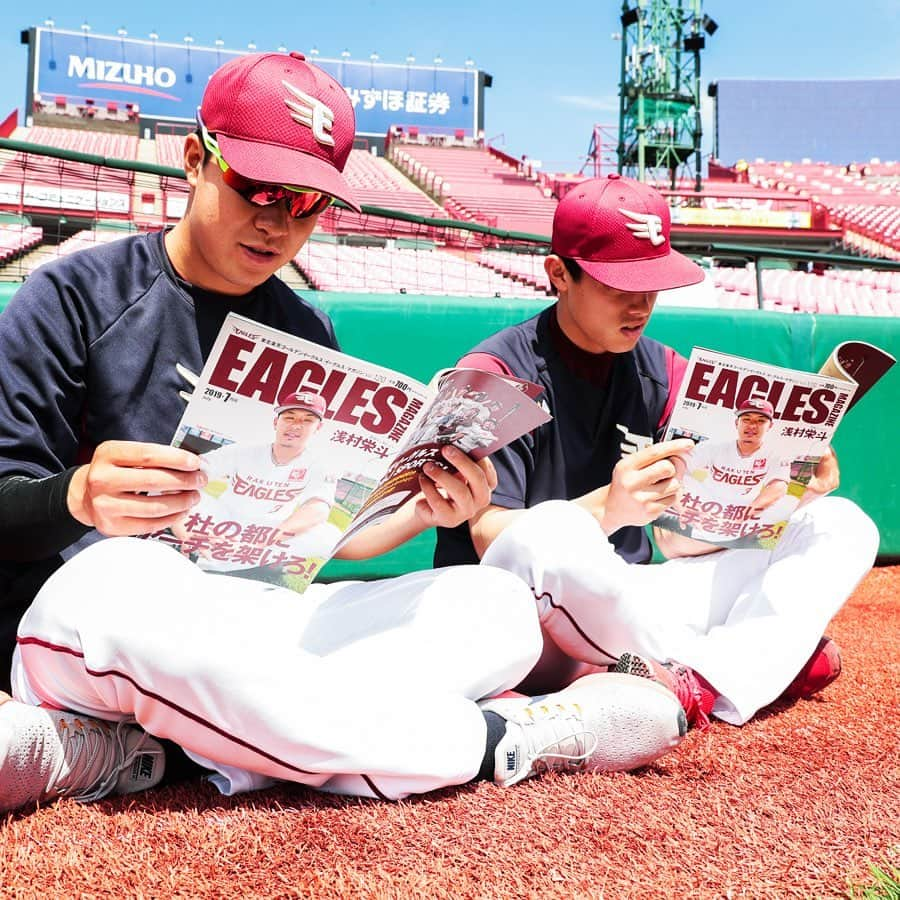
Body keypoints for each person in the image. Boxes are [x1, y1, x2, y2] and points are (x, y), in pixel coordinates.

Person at [0, 56, 686, 812]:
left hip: (253, 615)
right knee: (134, 577)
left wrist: (423, 507)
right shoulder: (70, 296)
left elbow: (324, 538)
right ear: (196, 161)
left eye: (305, 202)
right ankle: (507, 739)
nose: (276, 219)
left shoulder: (305, 327)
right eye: (256, 187)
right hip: (96, 610)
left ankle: (151, 752)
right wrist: (80, 496)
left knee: (496, 612)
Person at [435, 174, 879, 727]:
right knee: (547, 535)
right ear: (558, 274)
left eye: (652, 284)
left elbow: (675, 540)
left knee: (841, 523)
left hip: (630, 604)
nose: (641, 304)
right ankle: (761, 658)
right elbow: (488, 538)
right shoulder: (495, 372)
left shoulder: (663, 371)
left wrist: (786, 490)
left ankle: (707, 678)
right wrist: (609, 510)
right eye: (619, 284)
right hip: (516, 616)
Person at [171, 390, 342, 572]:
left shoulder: (320, 464)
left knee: (330, 536)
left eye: (307, 420)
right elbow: (191, 473)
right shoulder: (244, 450)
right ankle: (217, 553)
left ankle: (227, 557)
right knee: (172, 486)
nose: (296, 425)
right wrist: (181, 524)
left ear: (318, 428)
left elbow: (317, 509)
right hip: (222, 519)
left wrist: (264, 540)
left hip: (270, 528)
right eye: (289, 417)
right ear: (276, 422)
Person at [658, 397, 796, 546]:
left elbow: (778, 487)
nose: (752, 425)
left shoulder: (775, 454)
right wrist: (680, 499)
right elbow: (680, 460)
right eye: (746, 419)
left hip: (744, 507)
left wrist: (742, 515)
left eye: (761, 421)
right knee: (677, 473)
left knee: (789, 503)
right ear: (737, 423)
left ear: (770, 426)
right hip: (707, 503)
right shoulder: (716, 446)